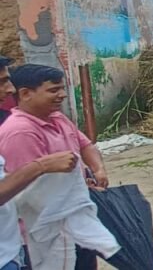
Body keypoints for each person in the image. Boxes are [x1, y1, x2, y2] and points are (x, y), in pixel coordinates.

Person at [0, 64, 113, 269]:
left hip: (71, 221)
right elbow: (31, 192)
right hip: (46, 231)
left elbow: (84, 144)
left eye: (62, 88)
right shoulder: (19, 132)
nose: (62, 95)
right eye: (53, 90)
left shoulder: (57, 118)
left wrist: (98, 169)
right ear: (26, 94)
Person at [0, 56, 79, 270]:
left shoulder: (58, 118)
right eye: (2, 82)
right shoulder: (18, 130)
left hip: (11, 250)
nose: (10, 89)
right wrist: (41, 165)